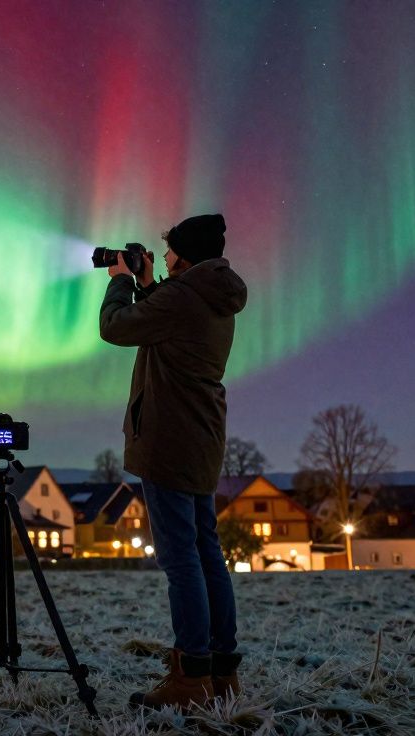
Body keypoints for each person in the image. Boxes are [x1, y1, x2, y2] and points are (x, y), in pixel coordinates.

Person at [98, 213, 248, 710]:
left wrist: (121, 282)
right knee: (206, 554)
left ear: (185, 254)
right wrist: (147, 284)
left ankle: (189, 678)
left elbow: (117, 329)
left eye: (168, 252)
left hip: (169, 440)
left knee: (181, 559)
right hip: (201, 439)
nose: (162, 259)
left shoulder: (184, 297)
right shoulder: (209, 295)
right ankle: (220, 671)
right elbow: (167, 320)